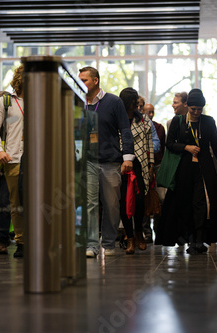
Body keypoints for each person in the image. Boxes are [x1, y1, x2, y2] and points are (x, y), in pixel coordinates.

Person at [156, 90, 217, 253]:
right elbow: (169, 144)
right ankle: (188, 237)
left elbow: (216, 146)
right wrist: (186, 147)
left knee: (201, 203)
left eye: (200, 109)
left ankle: (199, 239)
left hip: (204, 169)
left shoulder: (208, 122)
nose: (197, 113)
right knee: (183, 202)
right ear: (187, 106)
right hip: (183, 168)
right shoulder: (178, 121)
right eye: (193, 109)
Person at [78, 66, 134, 257]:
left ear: (96, 81)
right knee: (90, 204)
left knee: (111, 205)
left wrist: (128, 157)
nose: (81, 83)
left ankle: (108, 243)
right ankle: (92, 245)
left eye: (84, 80)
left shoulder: (113, 102)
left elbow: (125, 130)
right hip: (88, 161)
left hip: (111, 161)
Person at [0, 65, 25, 258]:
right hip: (13, 159)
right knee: (16, 203)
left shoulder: (40, 100)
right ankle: (21, 242)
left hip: (36, 159)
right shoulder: (6, 101)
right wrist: (0, 151)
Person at [118, 88, 154, 254]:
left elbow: (149, 143)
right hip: (120, 163)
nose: (138, 106)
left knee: (139, 200)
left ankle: (139, 231)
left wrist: (151, 164)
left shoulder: (144, 119)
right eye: (135, 103)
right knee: (124, 201)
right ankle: (129, 237)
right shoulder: (117, 118)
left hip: (140, 163)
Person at [143, 103, 166, 243]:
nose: (150, 115)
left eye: (152, 112)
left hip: (158, 165)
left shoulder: (159, 128)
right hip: (144, 166)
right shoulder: (139, 126)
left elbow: (161, 148)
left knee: (160, 199)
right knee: (145, 198)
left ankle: (159, 229)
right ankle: (147, 232)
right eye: (148, 112)